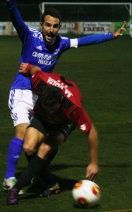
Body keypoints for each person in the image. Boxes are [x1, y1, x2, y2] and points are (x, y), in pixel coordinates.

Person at [3, 0, 126, 193]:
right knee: (23, 132)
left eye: (55, 26)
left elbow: (84, 41)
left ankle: (39, 176)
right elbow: (17, 21)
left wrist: (111, 36)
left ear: (58, 27)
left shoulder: (61, 43)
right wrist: (11, 5)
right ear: (41, 25)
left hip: (44, 97)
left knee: (42, 144)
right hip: (22, 91)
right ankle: (10, 177)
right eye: (48, 25)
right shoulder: (30, 36)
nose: (51, 30)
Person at [7, 63, 99, 205]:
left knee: (45, 148)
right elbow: (35, 70)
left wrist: (93, 163)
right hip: (42, 118)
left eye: (53, 108)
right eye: (47, 107)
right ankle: (49, 181)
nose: (51, 110)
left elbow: (91, 131)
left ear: (60, 101)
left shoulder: (73, 107)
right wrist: (28, 67)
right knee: (29, 147)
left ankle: (16, 189)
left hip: (64, 123)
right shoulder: (40, 81)